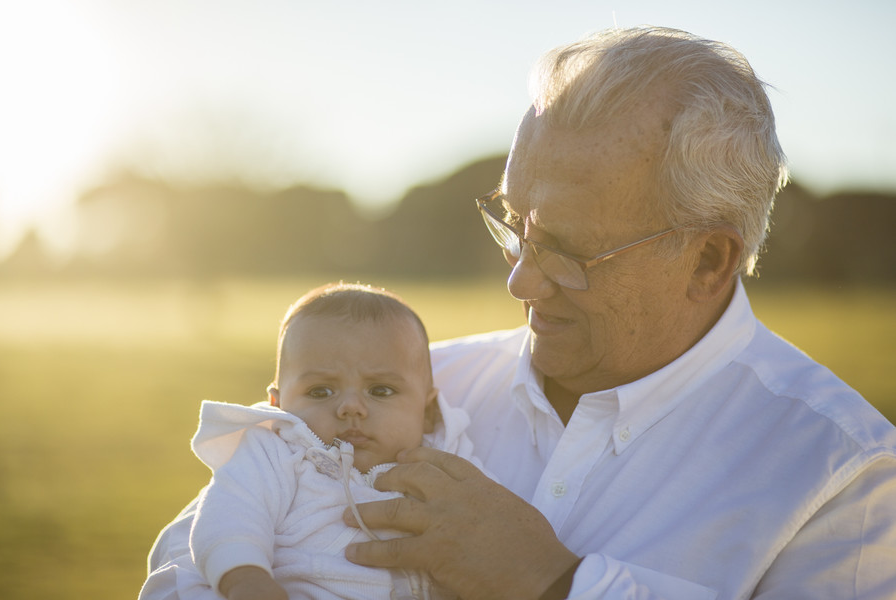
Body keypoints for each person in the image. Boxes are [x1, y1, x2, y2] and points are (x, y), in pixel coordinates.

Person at [143, 26, 896, 600]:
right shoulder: (404, 386)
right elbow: (178, 571)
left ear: (707, 260)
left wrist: (555, 583)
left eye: (567, 250)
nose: (521, 281)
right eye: (514, 226)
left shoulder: (844, 476)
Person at [140, 282, 477, 600]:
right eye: (320, 391)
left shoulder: (449, 458)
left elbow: (482, 530)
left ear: (427, 411)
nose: (351, 407)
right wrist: (246, 580)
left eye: (380, 390)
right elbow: (228, 515)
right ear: (279, 405)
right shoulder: (273, 453)